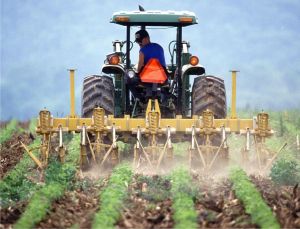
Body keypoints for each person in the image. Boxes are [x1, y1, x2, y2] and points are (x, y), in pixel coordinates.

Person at [127, 29, 167, 100]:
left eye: (140, 41)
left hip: (147, 79)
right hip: (162, 78)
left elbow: (139, 67)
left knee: (127, 79)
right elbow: (163, 64)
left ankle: (139, 98)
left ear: (146, 39)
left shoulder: (142, 51)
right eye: (138, 42)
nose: (139, 44)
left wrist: (136, 73)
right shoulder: (159, 47)